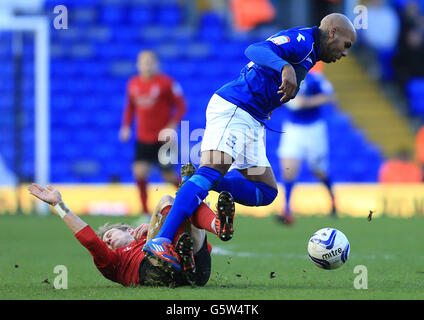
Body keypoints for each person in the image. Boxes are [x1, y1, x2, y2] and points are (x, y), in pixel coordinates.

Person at [143, 13, 357, 270]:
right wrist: (284, 67)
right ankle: (162, 239)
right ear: (332, 32)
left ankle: (197, 182)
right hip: (236, 107)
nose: (345, 53)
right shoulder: (302, 40)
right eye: (346, 45)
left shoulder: (310, 53)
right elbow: (254, 49)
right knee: (212, 169)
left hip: (253, 120)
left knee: (265, 191)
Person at [27, 179, 235, 287]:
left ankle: (216, 228)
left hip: (197, 272)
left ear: (128, 230)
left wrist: (156, 229)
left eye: (109, 237)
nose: (107, 244)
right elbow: (90, 241)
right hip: (155, 272)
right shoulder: (113, 262)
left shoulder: (148, 236)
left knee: (187, 199)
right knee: (167, 201)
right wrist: (59, 205)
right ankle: (210, 230)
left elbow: (205, 247)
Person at [119, 50, 187, 217]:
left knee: (168, 175)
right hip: (143, 138)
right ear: (138, 64)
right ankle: (144, 211)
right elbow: (130, 108)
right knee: (139, 172)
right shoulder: (133, 84)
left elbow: (181, 106)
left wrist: (171, 126)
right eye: (143, 62)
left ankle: (190, 201)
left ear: (156, 64)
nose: (146, 65)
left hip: (163, 139)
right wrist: (126, 126)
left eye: (150, 62)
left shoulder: (166, 83)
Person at [277, 62, 337, 225]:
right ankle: (287, 209)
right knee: (288, 169)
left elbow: (329, 96)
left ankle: (333, 201)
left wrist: (306, 102)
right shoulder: (284, 78)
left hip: (314, 129)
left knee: (319, 170)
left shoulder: (315, 78)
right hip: (293, 129)